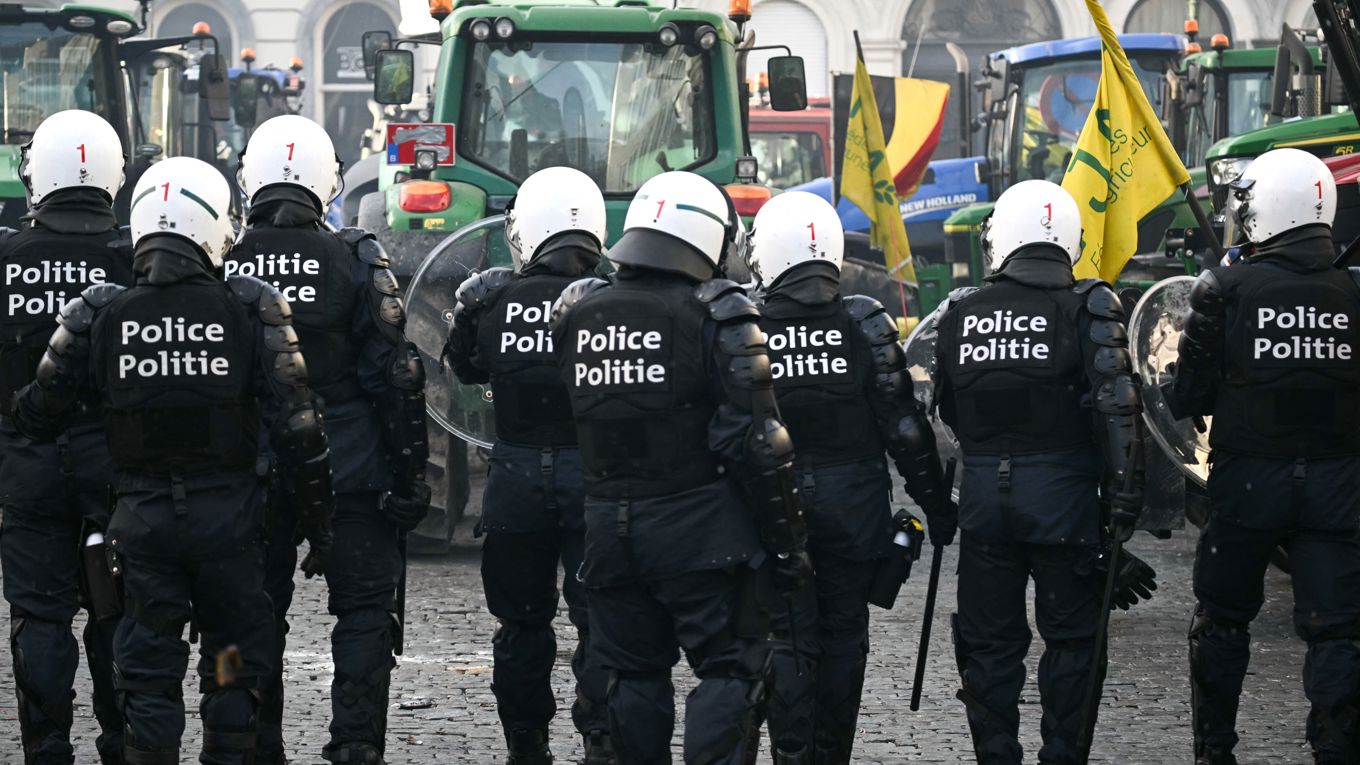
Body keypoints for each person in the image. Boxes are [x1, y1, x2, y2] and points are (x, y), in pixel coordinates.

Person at [12, 155, 334, 765]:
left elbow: (36, 412)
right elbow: (299, 428)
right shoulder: (249, 307)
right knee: (231, 658)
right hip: (230, 526)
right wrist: (318, 521)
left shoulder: (99, 313)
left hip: (142, 525)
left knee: (150, 667)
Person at [550, 171, 810, 763]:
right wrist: (787, 546)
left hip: (608, 532)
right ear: (706, 238)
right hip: (700, 536)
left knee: (633, 675)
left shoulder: (579, 313)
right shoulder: (717, 315)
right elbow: (761, 445)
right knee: (730, 670)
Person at [229, 114, 430, 765]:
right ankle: (355, 745)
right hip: (350, 465)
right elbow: (397, 378)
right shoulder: (354, 257)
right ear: (329, 181)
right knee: (366, 612)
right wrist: (410, 478)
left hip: (253, 468)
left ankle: (254, 744)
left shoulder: (222, 262)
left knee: (249, 616)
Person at [933, 180, 1145, 764]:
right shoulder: (1090, 304)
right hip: (1064, 508)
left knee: (988, 647)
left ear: (1000, 240)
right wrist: (1123, 511)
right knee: (1075, 644)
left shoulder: (961, 312)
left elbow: (949, 410)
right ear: (1069, 243)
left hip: (983, 509)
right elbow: (1119, 413)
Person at [1165, 148, 1360, 765]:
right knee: (1338, 633)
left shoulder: (1225, 286)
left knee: (1221, 621)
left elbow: (1189, 396)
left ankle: (1214, 751)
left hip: (1247, 487)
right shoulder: (1354, 291)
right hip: (1338, 488)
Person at [745, 191, 951, 764]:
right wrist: (935, 505)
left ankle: (791, 754)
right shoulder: (863, 320)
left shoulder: (746, 323)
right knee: (842, 637)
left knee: (787, 636)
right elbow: (905, 427)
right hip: (853, 504)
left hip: (773, 504)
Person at [445, 166, 613, 763]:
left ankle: (526, 745)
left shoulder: (495, 299)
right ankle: (601, 739)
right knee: (603, 622)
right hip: (595, 481)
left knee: (520, 625)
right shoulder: (615, 304)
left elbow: (463, 370)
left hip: (515, 478)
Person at [0, 109, 133, 765]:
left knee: (40, 615)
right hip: (116, 469)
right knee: (116, 612)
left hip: (26, 465)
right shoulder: (137, 260)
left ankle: (47, 747)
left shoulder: (5, 258)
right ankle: (120, 740)